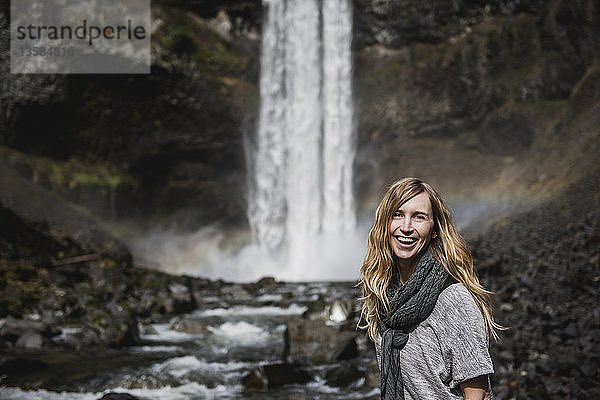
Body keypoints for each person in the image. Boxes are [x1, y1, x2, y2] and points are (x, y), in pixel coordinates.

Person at [358, 177, 501, 400]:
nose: (406, 227)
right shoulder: (384, 298)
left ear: (434, 229)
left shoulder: (454, 299)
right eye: (398, 214)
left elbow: (477, 393)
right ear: (385, 223)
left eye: (419, 217)